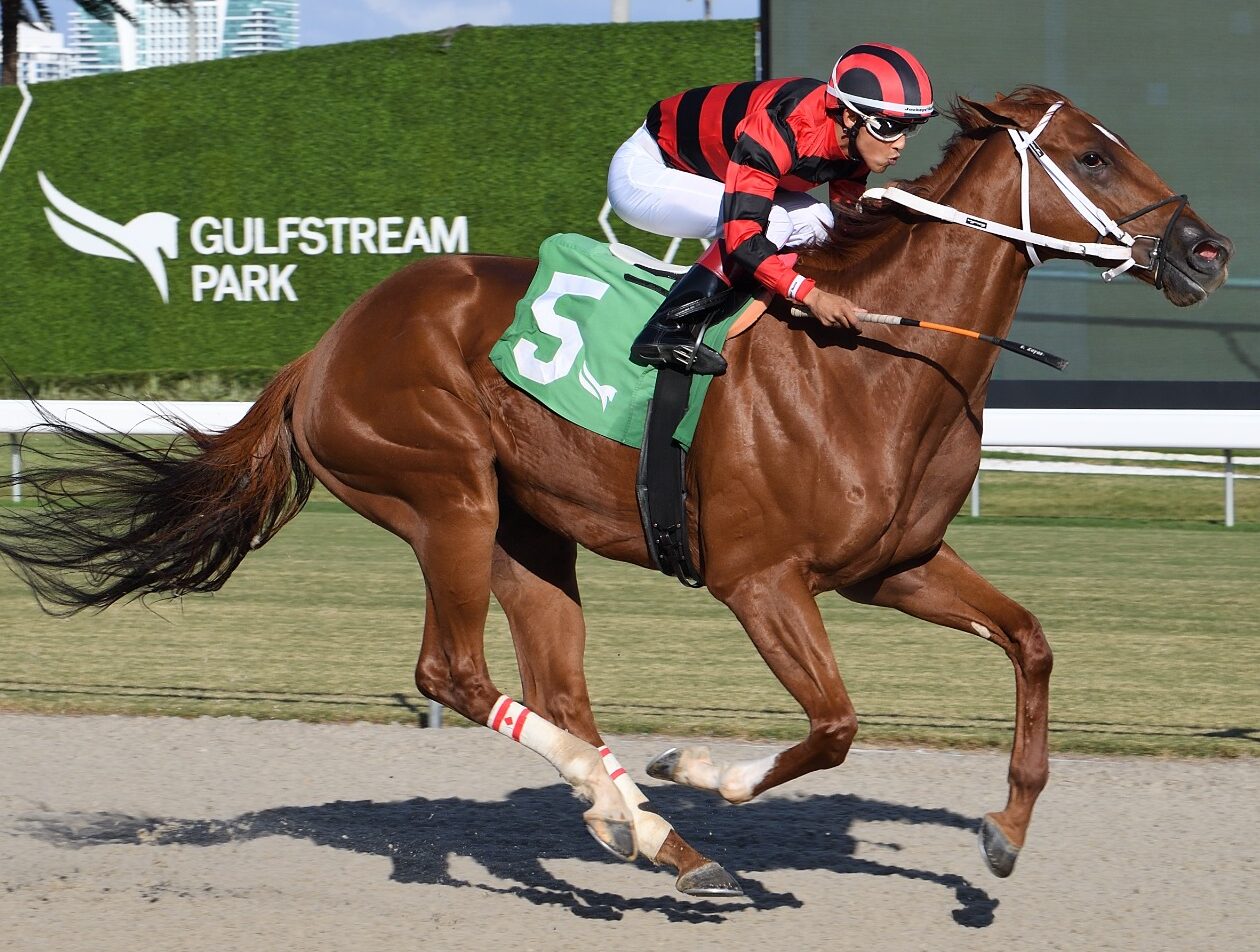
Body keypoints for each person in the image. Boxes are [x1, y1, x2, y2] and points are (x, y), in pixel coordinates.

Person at [607, 43, 935, 375]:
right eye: (888, 127)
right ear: (850, 116)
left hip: (710, 177)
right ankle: (665, 329)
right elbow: (743, 235)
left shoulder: (853, 145)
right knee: (773, 222)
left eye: (908, 128)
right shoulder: (783, 126)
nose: (900, 143)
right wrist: (810, 296)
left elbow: (843, 228)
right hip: (647, 172)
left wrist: (884, 211)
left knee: (819, 223)